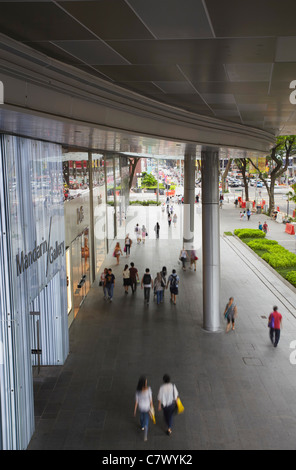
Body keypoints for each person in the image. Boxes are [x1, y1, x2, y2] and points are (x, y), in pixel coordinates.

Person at [134, 376, 153, 442]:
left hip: (141, 407)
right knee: (146, 421)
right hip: (147, 408)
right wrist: (152, 407)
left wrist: (135, 410)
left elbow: (136, 401)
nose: (146, 382)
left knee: (141, 417)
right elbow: (151, 400)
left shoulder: (137, 391)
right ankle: (145, 435)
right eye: (146, 382)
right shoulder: (149, 389)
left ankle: (142, 426)